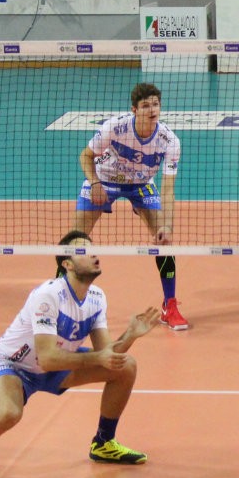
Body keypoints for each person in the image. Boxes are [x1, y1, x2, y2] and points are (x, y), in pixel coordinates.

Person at [0, 231, 162, 478]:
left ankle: (103, 443)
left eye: (93, 248)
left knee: (126, 367)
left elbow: (106, 355)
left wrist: (130, 336)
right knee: (9, 413)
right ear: (68, 264)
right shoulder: (48, 296)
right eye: (83, 251)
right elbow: (49, 358)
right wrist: (98, 358)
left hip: (57, 363)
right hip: (14, 365)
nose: (95, 254)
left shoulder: (97, 297)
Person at [73, 83, 186, 330]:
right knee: (74, 242)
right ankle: (64, 299)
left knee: (165, 243)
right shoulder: (115, 127)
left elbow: (167, 189)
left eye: (155, 104)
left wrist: (167, 225)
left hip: (141, 184)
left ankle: (170, 305)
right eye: (145, 105)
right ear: (134, 109)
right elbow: (85, 156)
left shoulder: (170, 141)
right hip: (104, 179)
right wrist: (94, 183)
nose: (152, 109)